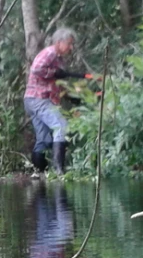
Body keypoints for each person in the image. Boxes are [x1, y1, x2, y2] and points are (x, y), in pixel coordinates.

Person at [24, 27, 94, 175]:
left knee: (43, 139)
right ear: (59, 42)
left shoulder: (58, 59)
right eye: (69, 43)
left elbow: (56, 83)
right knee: (60, 126)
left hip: (34, 99)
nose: (71, 47)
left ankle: (39, 173)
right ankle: (59, 171)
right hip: (39, 99)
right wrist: (54, 72)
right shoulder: (50, 53)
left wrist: (73, 97)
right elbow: (36, 69)